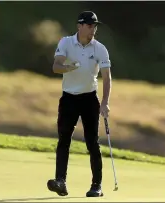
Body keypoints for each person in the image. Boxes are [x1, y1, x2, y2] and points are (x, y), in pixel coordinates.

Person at [47, 11, 112, 198]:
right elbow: (56, 66)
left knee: (92, 142)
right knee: (64, 139)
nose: (93, 29)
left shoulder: (100, 49)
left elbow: (107, 77)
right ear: (80, 26)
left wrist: (105, 102)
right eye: (90, 25)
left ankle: (96, 186)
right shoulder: (66, 42)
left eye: (95, 26)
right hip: (68, 98)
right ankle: (60, 181)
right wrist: (68, 67)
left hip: (89, 99)